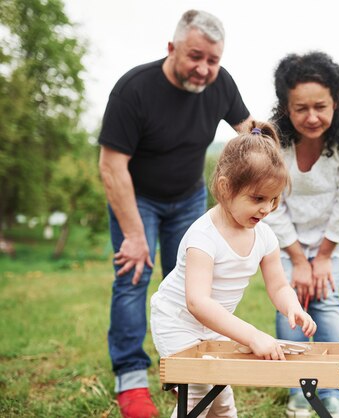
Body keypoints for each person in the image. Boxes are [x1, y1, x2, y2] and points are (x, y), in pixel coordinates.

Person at [98, 10, 252, 418]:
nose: (204, 70)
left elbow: (249, 133)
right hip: (138, 197)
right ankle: (131, 380)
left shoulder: (222, 85)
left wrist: (267, 159)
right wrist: (134, 234)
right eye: (195, 57)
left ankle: (183, 370)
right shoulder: (134, 89)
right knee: (134, 276)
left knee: (190, 286)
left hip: (187, 196)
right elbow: (111, 166)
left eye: (213, 61)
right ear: (172, 49)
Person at [150, 121, 316, 418]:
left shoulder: (264, 236)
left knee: (221, 397)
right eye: (257, 198)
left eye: (273, 199)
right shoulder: (203, 237)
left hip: (214, 325)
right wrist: (252, 336)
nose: (266, 209)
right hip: (178, 322)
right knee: (198, 393)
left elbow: (278, 286)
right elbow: (197, 302)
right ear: (226, 188)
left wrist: (293, 307)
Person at [264, 52, 339, 418]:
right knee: (289, 302)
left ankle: (333, 391)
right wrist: (296, 258)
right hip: (285, 236)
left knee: (325, 301)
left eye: (321, 106)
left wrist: (322, 257)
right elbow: (271, 202)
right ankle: (296, 390)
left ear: (336, 102)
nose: (312, 117)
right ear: (286, 108)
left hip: (331, 238)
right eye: (301, 108)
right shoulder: (273, 139)